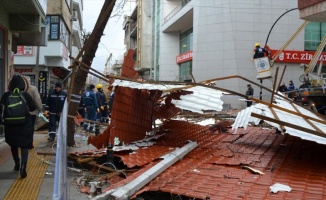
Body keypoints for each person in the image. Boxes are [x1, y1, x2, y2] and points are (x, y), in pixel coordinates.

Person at [0, 74, 36, 178]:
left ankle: (17, 163)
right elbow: (33, 108)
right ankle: (23, 166)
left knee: (13, 145)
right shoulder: (25, 95)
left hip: (10, 125)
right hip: (24, 125)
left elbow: (1, 108)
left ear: (10, 85)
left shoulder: (6, 95)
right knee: (24, 146)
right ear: (23, 85)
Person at [24, 76, 44, 149]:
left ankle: (22, 143)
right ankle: (29, 144)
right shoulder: (33, 88)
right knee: (30, 128)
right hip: (31, 113)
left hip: (20, 113)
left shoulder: (18, 89)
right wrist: (40, 108)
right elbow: (37, 99)